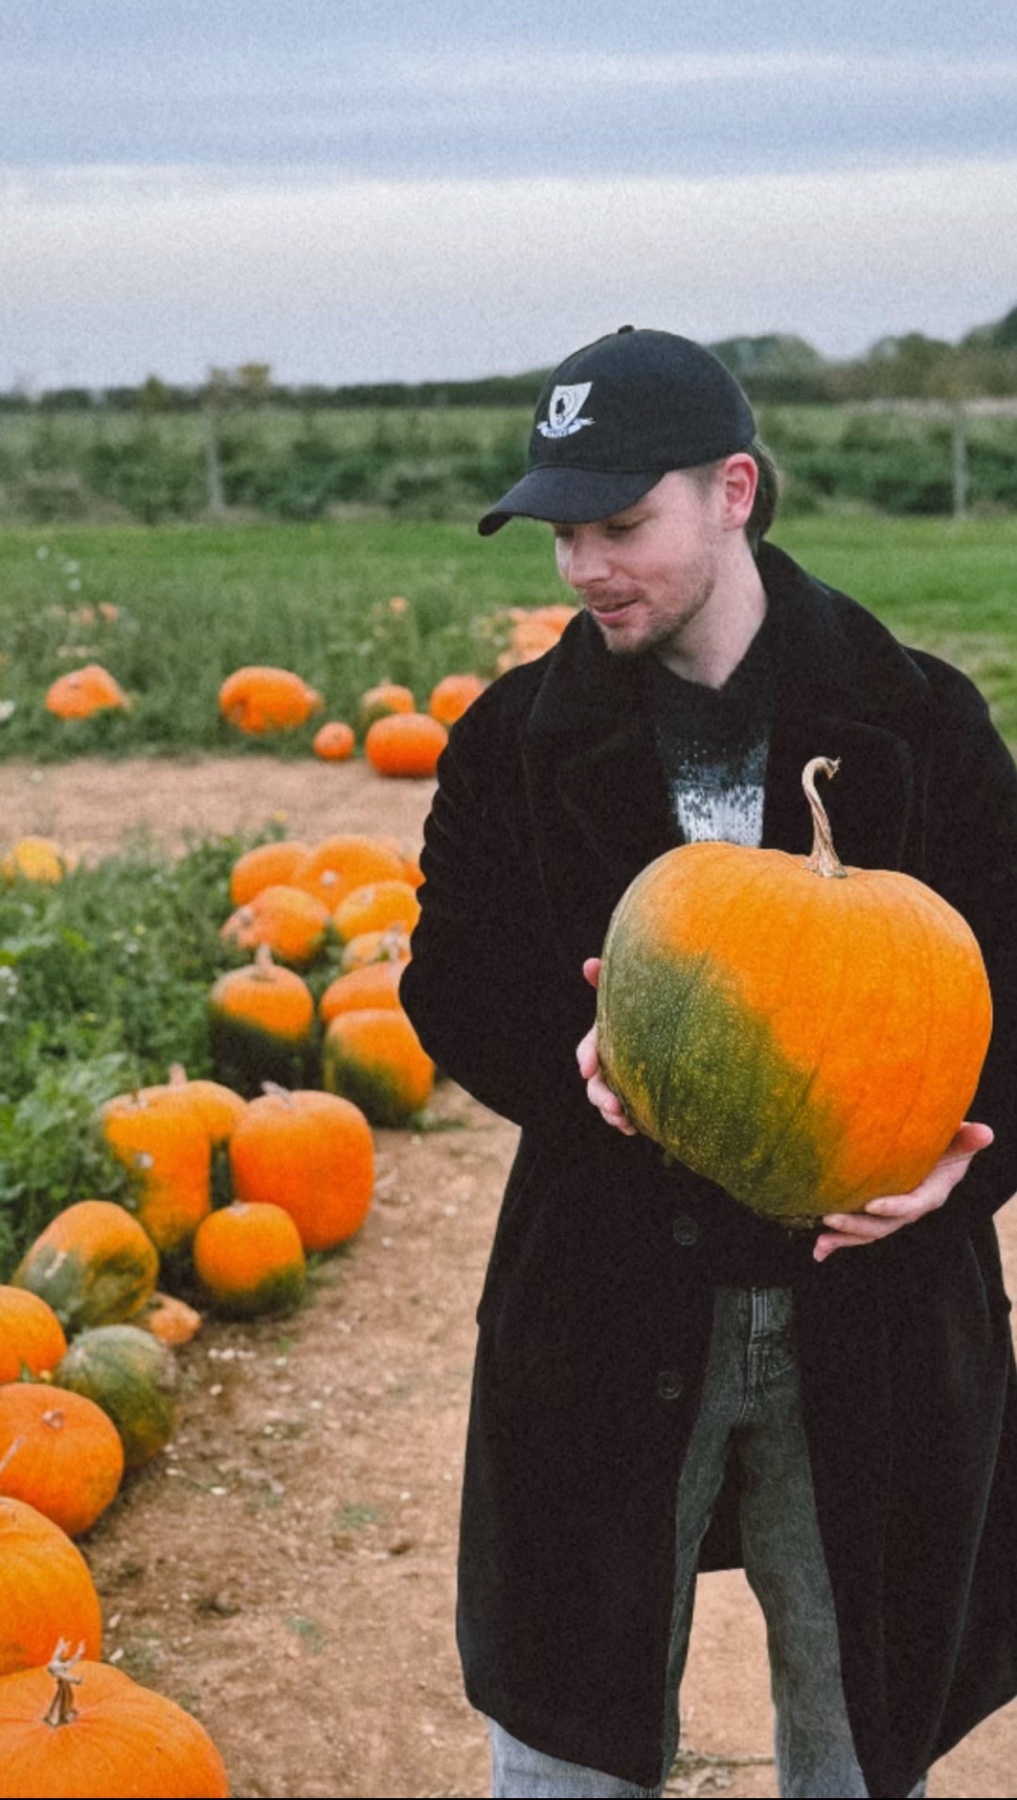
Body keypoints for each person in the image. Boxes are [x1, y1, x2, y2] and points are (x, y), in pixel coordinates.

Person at [398, 326, 1017, 1799]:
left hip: (866, 1309)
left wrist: (959, 1157)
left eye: (621, 525)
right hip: (604, 1296)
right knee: (566, 1745)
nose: (582, 567)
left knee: (854, 1739)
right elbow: (451, 979)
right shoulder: (507, 742)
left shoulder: (918, 718)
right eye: (560, 532)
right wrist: (574, 1066)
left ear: (732, 490)